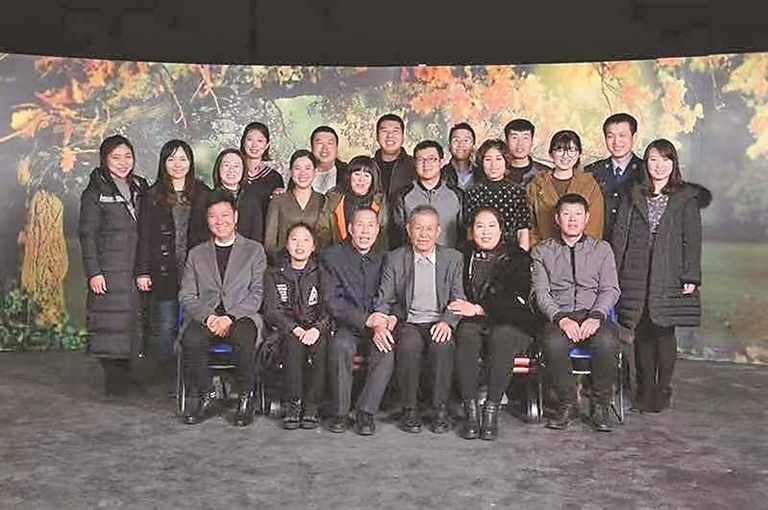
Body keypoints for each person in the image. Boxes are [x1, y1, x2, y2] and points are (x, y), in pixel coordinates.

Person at [611, 139, 710, 413]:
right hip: (636, 271)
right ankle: (644, 391)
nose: (659, 165)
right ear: (646, 163)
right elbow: (620, 234)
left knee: (664, 332)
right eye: (653, 159)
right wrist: (613, 272)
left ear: (673, 163)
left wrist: (690, 276)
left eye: (665, 159)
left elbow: (693, 239)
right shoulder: (634, 193)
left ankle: (662, 389)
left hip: (670, 273)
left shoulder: (685, 197)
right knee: (642, 331)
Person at [369, 205, 465, 434]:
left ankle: (440, 409)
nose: (423, 234)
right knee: (409, 344)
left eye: (429, 229)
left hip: (438, 320)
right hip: (409, 320)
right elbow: (385, 297)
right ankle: (409, 408)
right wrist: (380, 322)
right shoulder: (395, 258)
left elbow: (458, 298)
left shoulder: (453, 258)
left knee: (443, 345)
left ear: (438, 231)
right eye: (418, 228)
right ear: (408, 229)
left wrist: (447, 321)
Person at [531, 193, 620, 432]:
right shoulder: (542, 251)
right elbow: (541, 293)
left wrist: (596, 316)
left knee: (607, 341)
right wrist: (560, 319)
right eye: (567, 214)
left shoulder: (602, 249)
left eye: (578, 214)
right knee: (552, 343)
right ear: (557, 218)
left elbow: (610, 289)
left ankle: (601, 404)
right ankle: (568, 402)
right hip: (560, 316)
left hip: (594, 314)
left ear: (587, 218)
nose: (572, 220)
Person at [178, 190, 266, 426]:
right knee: (191, 339)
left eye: (225, 215)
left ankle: (245, 398)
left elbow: (257, 293)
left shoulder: (254, 250)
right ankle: (207, 395)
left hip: (243, 315)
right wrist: (208, 317)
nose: (220, 221)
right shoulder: (196, 254)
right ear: (207, 220)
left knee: (243, 336)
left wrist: (230, 317)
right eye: (213, 216)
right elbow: (186, 294)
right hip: (207, 317)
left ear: (235, 217)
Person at [449, 207, 538, 440]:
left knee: (502, 337)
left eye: (491, 226)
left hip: (512, 322)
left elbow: (517, 302)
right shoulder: (462, 254)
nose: (485, 232)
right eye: (479, 226)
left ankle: (491, 411)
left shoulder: (518, 257)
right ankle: (471, 413)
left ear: (501, 230)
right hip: (472, 321)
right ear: (471, 230)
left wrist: (480, 308)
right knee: (466, 334)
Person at [79, 135, 149, 395]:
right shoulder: (94, 192)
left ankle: (127, 376)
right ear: (104, 159)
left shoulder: (140, 186)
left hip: (133, 267)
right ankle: (113, 380)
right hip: (108, 269)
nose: (123, 162)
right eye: (116, 157)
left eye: (127, 156)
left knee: (130, 323)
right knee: (108, 325)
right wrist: (94, 272)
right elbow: (87, 235)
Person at [135, 140, 210, 378]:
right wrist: (143, 271)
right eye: (171, 159)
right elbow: (144, 235)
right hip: (163, 270)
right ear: (163, 163)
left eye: (182, 159)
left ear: (190, 162)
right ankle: (168, 375)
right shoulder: (151, 195)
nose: (177, 165)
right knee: (165, 327)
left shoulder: (203, 193)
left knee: (192, 325)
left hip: (195, 273)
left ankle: (191, 374)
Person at [321, 207, 392, 435]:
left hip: (378, 325)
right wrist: (365, 319)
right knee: (340, 346)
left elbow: (393, 296)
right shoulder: (332, 256)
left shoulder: (386, 258)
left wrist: (385, 320)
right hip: (346, 324)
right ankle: (340, 412)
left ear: (378, 229)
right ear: (350, 228)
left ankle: (366, 412)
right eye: (360, 225)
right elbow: (332, 301)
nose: (365, 231)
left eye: (370, 225)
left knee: (386, 350)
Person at [264, 223, 331, 430]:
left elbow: (329, 307)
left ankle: (312, 406)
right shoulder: (274, 273)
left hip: (315, 329)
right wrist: (294, 328)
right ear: (286, 244)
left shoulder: (322, 273)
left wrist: (317, 329)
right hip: (286, 330)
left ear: (313, 246)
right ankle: (293, 404)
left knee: (320, 346)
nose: (299, 245)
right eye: (294, 239)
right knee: (293, 344)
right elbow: (272, 310)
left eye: (305, 240)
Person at [527, 130, 604, 247]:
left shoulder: (589, 184)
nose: (565, 156)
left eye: (572, 150)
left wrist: (585, 251)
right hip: (546, 251)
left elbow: (595, 225)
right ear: (550, 153)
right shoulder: (537, 184)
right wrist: (538, 250)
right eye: (559, 150)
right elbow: (530, 226)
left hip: (581, 252)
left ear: (579, 154)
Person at [584, 113, 646, 240]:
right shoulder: (592, 171)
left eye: (622, 135)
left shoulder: (646, 170)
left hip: (635, 243)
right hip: (599, 242)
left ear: (634, 137)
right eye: (610, 136)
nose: (616, 142)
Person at [392, 140, 463, 249]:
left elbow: (463, 234)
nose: (426, 164)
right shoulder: (402, 195)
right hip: (412, 257)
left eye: (431, 159)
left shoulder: (457, 195)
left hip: (449, 257)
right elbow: (398, 235)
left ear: (441, 162)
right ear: (415, 163)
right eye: (421, 160)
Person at [465, 139, 531, 250]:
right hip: (481, 251)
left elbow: (522, 230)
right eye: (488, 159)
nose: (493, 164)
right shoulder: (473, 192)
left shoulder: (517, 191)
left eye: (498, 159)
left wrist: (523, 256)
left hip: (511, 252)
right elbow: (470, 230)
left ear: (506, 161)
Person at [315, 155, 389, 252]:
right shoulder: (334, 198)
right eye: (357, 174)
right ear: (349, 176)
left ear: (373, 179)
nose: (361, 179)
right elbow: (323, 231)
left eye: (367, 176)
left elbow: (383, 236)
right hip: (337, 254)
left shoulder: (380, 201)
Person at [264, 150, 326, 262]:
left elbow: (326, 238)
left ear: (315, 171)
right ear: (290, 171)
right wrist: (275, 264)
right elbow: (270, 240)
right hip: (282, 264)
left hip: (315, 265)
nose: (302, 173)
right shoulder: (278, 200)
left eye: (307, 168)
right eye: (297, 168)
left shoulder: (323, 200)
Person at [211, 148, 265, 243]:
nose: (231, 170)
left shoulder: (252, 200)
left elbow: (257, 236)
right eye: (226, 165)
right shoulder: (207, 198)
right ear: (218, 168)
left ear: (243, 169)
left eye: (236, 166)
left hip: (247, 251)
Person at [241, 121, 285, 219]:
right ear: (243, 142)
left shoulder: (274, 178)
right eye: (250, 139)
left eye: (260, 141)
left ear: (266, 145)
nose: (254, 145)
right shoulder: (234, 173)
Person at [373, 113, 417, 198]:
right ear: (377, 136)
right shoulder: (367, 167)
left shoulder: (416, 166)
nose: (390, 136)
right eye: (384, 131)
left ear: (403, 137)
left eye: (395, 131)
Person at [504, 118, 551, 186]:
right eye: (514, 138)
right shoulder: (497, 172)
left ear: (532, 142)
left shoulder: (545, 173)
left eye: (525, 138)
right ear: (506, 142)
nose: (520, 143)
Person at [441, 122, 483, 191]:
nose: (461, 145)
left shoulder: (482, 174)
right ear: (449, 146)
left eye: (466, 140)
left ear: (474, 147)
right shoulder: (440, 175)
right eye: (456, 140)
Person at [310, 125, 349, 194]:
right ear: (312, 148)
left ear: (336, 149)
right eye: (319, 143)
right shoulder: (300, 173)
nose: (324, 148)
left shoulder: (348, 174)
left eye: (330, 143)